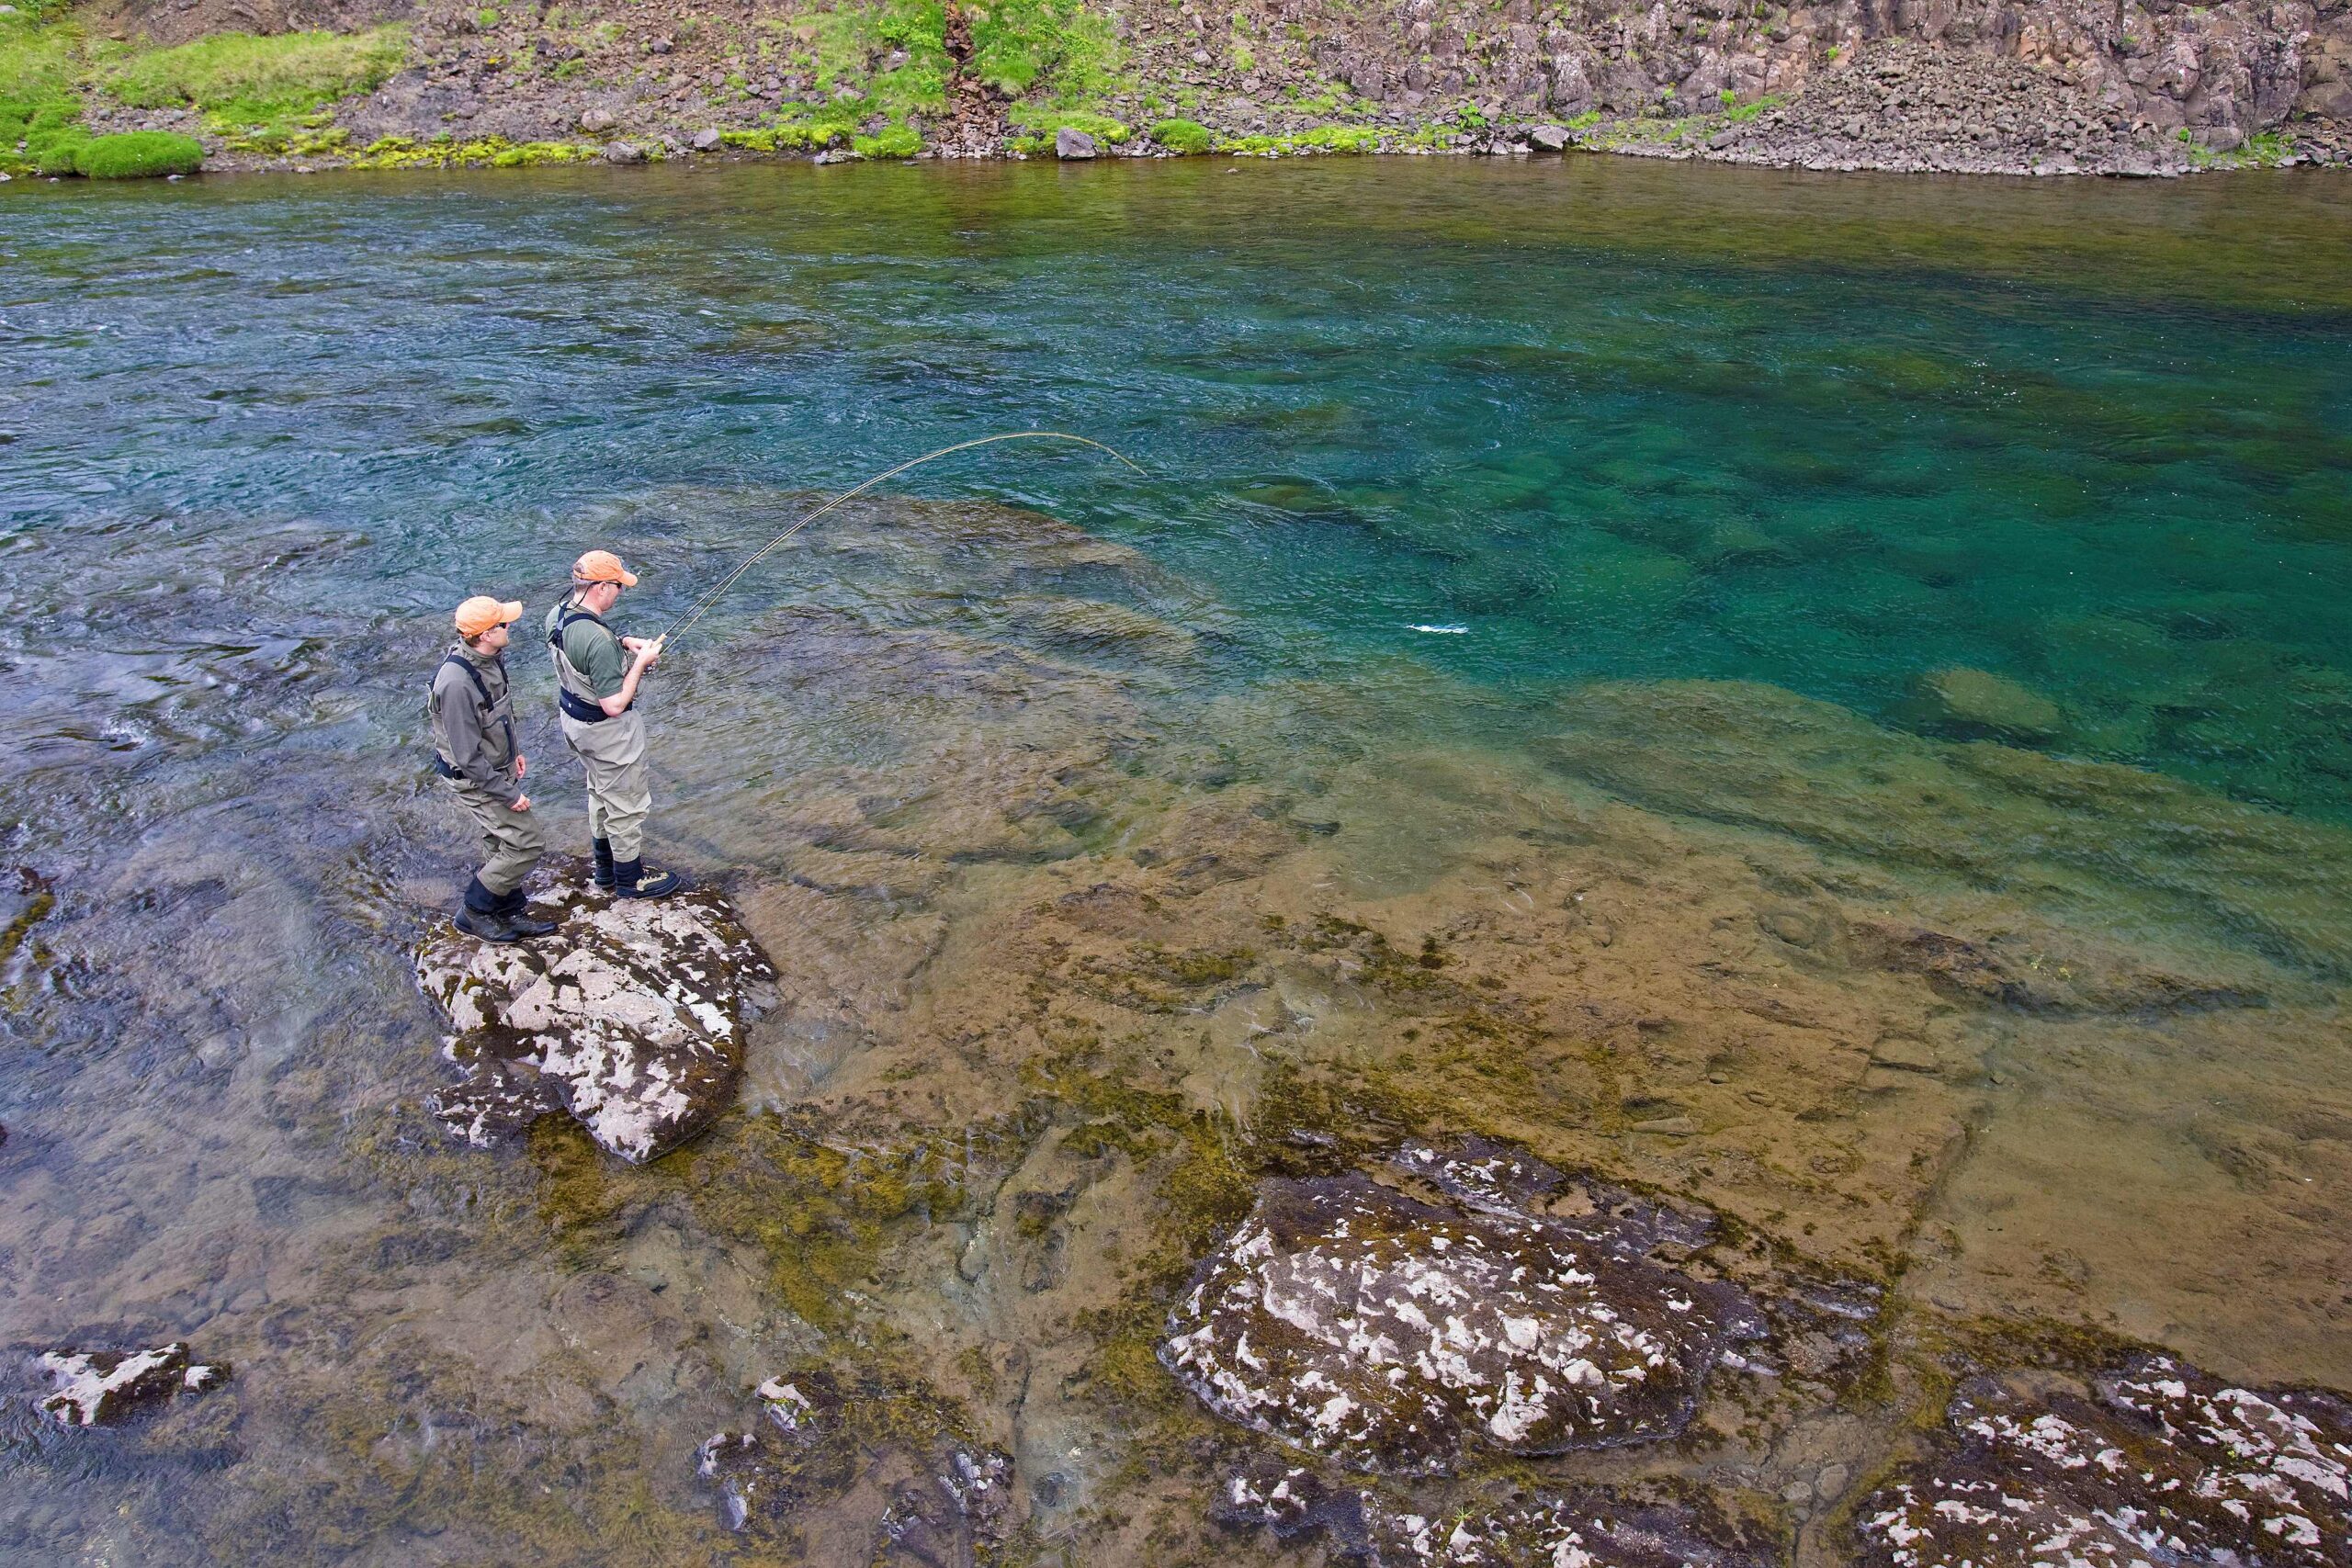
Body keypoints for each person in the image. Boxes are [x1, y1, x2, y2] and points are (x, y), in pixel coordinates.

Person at [545, 549, 684, 899]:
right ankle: (629, 880)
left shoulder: (558, 614)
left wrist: (625, 643)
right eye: (618, 586)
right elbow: (614, 704)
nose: (621, 592)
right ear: (601, 586)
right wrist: (641, 663)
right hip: (607, 733)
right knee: (627, 803)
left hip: (575, 723)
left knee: (600, 791)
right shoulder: (597, 640)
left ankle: (605, 871)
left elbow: (586, 650)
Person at [429, 595, 556, 942]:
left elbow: (499, 713)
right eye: (503, 624)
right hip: (475, 778)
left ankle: (507, 910)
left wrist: (514, 753)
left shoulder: (490, 659)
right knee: (527, 842)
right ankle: (475, 911)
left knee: (498, 837)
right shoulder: (456, 683)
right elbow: (467, 757)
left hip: (496, 766)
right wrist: (508, 794)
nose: (509, 626)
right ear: (485, 634)